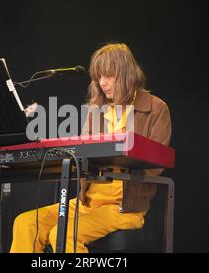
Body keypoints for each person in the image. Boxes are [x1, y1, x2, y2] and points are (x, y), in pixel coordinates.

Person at [9, 43, 172, 253]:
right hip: (86, 202)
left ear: (125, 73)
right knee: (25, 223)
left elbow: (156, 163)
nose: (102, 83)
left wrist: (114, 159)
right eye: (98, 78)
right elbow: (82, 152)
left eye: (108, 76)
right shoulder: (96, 111)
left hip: (123, 207)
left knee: (62, 232)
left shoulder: (156, 108)